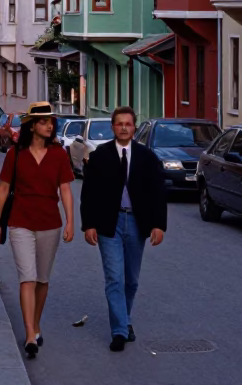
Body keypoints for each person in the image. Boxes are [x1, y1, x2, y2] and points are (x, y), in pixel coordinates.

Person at [0, 102, 75, 359]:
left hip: (50, 223)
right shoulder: (15, 154)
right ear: (31, 125)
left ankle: (36, 325)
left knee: (42, 280)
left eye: (51, 122)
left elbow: (66, 190)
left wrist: (70, 221)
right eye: (43, 121)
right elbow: (3, 189)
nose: (49, 126)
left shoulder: (59, 154)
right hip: (20, 222)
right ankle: (29, 333)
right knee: (27, 277)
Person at [80, 106, 167, 352]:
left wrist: (158, 224)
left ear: (134, 127)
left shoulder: (147, 157)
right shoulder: (100, 155)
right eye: (119, 124)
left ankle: (124, 319)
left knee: (131, 280)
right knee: (114, 278)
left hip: (137, 223)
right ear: (113, 127)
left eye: (128, 124)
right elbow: (89, 194)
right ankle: (119, 331)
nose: (124, 128)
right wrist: (89, 225)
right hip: (110, 223)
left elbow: (158, 193)